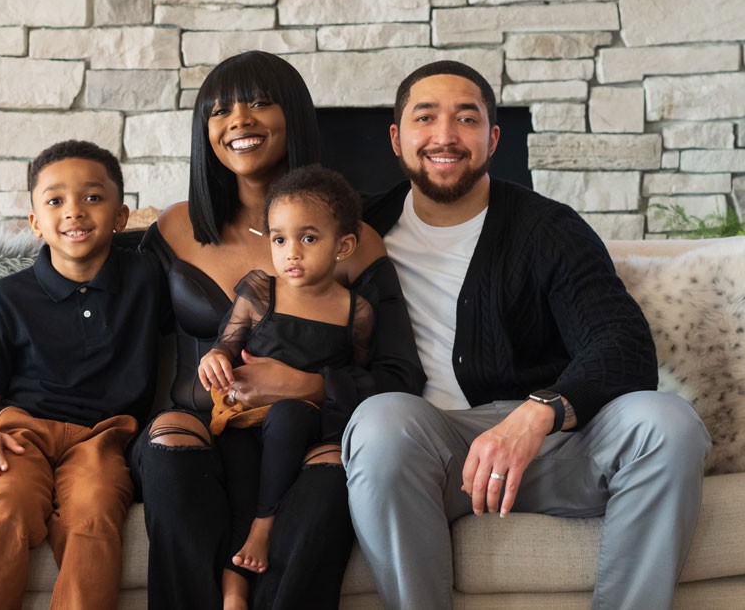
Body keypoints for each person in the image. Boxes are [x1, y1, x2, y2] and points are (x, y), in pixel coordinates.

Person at [342, 60, 711, 610]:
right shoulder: (358, 234)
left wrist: (538, 414)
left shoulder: (549, 228)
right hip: (431, 453)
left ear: (492, 138)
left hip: (555, 445)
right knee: (378, 423)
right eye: (426, 118)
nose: (446, 136)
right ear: (397, 138)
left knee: (668, 423)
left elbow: (623, 346)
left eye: (466, 119)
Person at [128, 50, 424, 610]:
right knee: (169, 449)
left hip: (308, 432)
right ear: (205, 130)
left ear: (295, 118)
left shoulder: (353, 242)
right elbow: (116, 326)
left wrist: (306, 385)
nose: (239, 120)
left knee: (333, 473)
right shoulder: (173, 228)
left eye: (260, 103)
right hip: (199, 423)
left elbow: (399, 375)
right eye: (220, 111)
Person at [0, 140, 169, 610]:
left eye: (92, 197)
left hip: (102, 439)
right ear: (35, 223)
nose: (74, 211)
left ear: (121, 216)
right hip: (20, 435)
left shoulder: (147, 280)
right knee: (5, 506)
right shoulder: (7, 298)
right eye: (55, 201)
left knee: (93, 514)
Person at [198, 166, 374, 601]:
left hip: (303, 427)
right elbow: (226, 342)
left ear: (343, 245)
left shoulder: (356, 312)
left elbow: (357, 379)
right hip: (243, 420)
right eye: (279, 239)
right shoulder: (260, 291)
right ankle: (234, 588)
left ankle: (265, 528)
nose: (291, 252)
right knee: (240, 483)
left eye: (308, 239)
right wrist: (215, 359)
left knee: (291, 415)